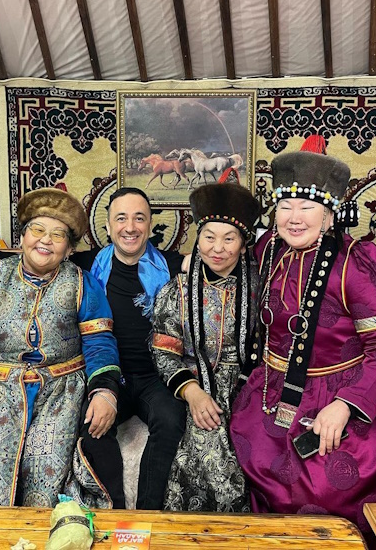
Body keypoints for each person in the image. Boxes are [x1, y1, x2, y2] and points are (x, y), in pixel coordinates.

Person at [230, 151, 376, 539]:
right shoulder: (268, 252)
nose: (294, 217)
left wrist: (344, 406)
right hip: (272, 391)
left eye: (307, 206)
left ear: (329, 214)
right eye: (285, 206)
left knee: (325, 490)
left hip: (341, 393)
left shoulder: (356, 265)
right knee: (248, 464)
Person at [0, 188, 120, 507]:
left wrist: (105, 392)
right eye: (37, 229)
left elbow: (100, 343)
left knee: (46, 478)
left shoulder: (83, 283)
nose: (45, 240)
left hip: (61, 394)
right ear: (23, 237)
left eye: (58, 235)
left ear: (69, 249)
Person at [71, 187, 186, 510]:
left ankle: (149, 514)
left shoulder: (171, 264)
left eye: (139, 218)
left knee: (171, 421)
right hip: (110, 376)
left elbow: (217, 257)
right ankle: (114, 509)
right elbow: (31, 253)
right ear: (108, 226)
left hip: (155, 377)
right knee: (92, 424)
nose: (130, 227)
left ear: (150, 225)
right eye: (121, 218)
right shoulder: (87, 264)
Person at [151, 183, 261, 511]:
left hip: (253, 384)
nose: (218, 248)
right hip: (198, 382)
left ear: (243, 244)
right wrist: (193, 393)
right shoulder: (178, 291)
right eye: (209, 237)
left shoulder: (263, 287)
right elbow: (164, 350)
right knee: (210, 455)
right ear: (198, 240)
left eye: (229, 239)